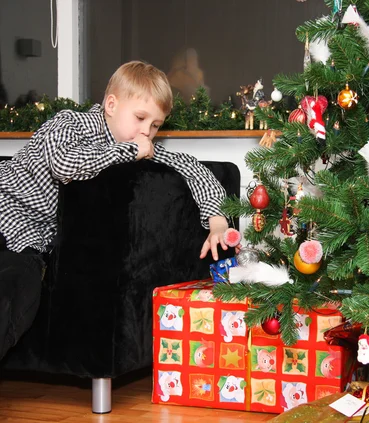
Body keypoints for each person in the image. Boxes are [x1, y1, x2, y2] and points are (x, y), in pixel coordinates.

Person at [0, 60, 230, 360]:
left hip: (29, 242)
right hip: (6, 207)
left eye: (156, 125)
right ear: (111, 104)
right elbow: (64, 164)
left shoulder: (143, 147)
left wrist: (217, 221)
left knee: (20, 286)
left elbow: (193, 169)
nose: (147, 131)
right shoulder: (69, 124)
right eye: (140, 118)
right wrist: (130, 150)